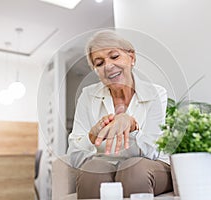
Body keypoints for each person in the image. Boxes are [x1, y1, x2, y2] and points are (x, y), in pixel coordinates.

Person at [67, 30, 172, 199]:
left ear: (131, 58)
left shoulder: (156, 93)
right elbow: (75, 156)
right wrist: (92, 138)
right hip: (106, 165)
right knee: (93, 171)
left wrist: (131, 126)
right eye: (99, 63)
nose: (108, 66)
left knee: (133, 170)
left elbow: (151, 151)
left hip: (151, 165)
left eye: (114, 56)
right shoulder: (88, 95)